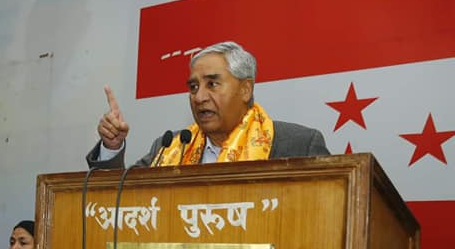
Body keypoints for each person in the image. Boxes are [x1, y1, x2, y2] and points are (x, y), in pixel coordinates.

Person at [86, 41, 330, 169]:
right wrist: (112, 147)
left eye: (212, 84)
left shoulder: (298, 145)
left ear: (245, 89)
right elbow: (119, 201)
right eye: (193, 87)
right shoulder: (170, 147)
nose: (199, 96)